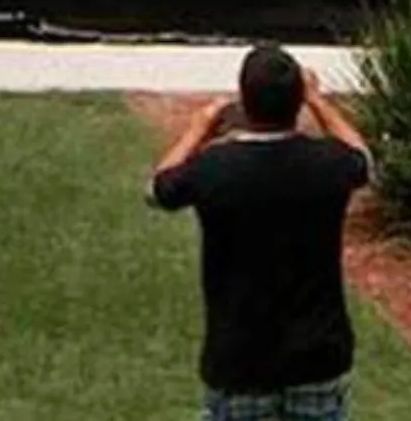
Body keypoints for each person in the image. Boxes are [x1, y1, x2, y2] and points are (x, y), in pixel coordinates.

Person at [150, 45, 373, 421]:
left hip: (241, 359)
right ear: (296, 100)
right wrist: (317, 100)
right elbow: (363, 159)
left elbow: (159, 190)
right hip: (316, 356)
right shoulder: (327, 165)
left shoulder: (215, 169)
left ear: (245, 101)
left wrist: (198, 128)